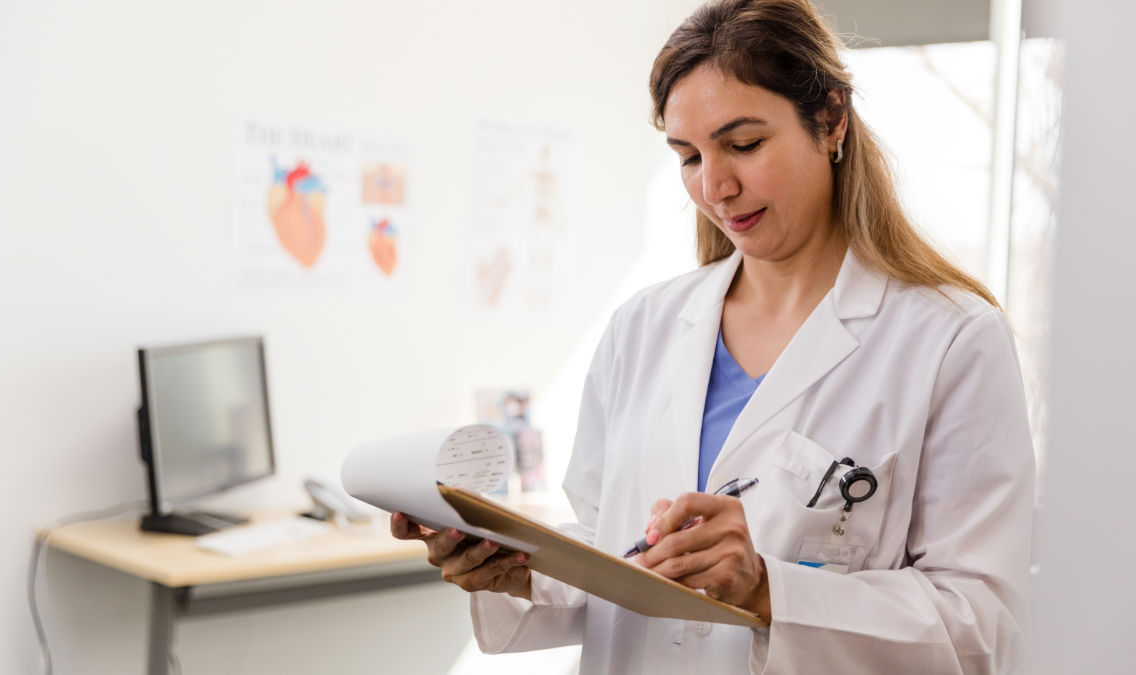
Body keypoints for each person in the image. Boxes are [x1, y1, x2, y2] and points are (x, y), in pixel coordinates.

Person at [391, 0, 1035, 672]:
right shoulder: (642, 326)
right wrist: (515, 567)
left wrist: (770, 590)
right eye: (687, 155)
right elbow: (611, 549)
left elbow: (983, 622)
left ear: (832, 119)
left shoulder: (952, 341)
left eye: (744, 144)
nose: (715, 186)